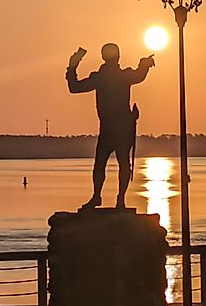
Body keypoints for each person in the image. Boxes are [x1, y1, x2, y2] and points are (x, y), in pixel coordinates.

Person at [66, 43, 154, 209]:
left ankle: (106, 197)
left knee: (105, 164)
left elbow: (74, 87)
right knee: (118, 163)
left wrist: (72, 66)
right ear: (118, 57)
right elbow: (140, 75)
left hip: (115, 128)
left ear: (103, 57)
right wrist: (144, 65)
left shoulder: (102, 78)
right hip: (117, 128)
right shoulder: (118, 76)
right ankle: (113, 199)